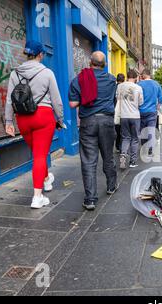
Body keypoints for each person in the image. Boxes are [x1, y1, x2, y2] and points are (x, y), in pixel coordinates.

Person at [5, 40, 64, 210]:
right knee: (40, 155)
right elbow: (56, 101)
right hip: (43, 117)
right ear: (40, 55)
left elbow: (10, 99)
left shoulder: (15, 73)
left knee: (38, 152)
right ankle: (37, 197)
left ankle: (45, 181)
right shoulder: (47, 73)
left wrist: (9, 121)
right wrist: (60, 119)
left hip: (22, 119)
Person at [69, 51, 118, 211]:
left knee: (89, 161)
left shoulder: (80, 79)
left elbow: (72, 104)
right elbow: (113, 100)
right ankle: (111, 186)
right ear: (104, 64)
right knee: (108, 156)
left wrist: (86, 98)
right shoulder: (112, 80)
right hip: (107, 121)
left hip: (88, 122)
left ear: (90, 63)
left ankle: (90, 199)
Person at [115, 69, 144, 169]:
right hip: (135, 116)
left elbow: (117, 98)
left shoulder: (119, 86)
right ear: (136, 78)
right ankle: (132, 161)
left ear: (127, 76)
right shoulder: (138, 88)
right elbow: (141, 103)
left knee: (126, 138)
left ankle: (123, 155)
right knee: (135, 139)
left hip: (124, 116)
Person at [137, 69, 162, 157]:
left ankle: (143, 148)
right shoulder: (157, 84)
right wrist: (157, 107)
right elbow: (161, 100)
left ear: (144, 75)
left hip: (141, 111)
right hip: (152, 112)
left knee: (142, 130)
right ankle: (150, 150)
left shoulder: (139, 84)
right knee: (151, 131)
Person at [114, 73, 125, 153]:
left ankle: (117, 146)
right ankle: (121, 146)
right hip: (123, 110)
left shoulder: (113, 87)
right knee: (123, 130)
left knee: (117, 129)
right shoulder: (125, 88)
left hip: (114, 110)